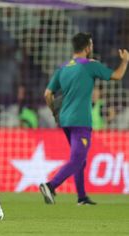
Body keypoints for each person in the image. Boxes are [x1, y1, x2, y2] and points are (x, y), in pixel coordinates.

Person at [40, 32, 129, 205]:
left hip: (64, 120)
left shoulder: (63, 68)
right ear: (88, 47)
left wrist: (53, 111)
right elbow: (117, 76)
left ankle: (82, 197)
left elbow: (48, 94)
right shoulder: (90, 66)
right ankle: (50, 186)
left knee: (80, 158)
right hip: (80, 120)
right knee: (77, 159)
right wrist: (125, 61)